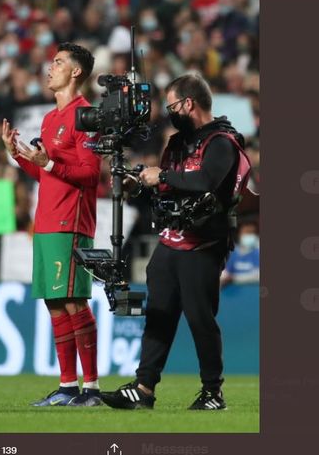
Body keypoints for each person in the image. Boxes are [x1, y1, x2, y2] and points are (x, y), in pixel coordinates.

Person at [101, 73, 252, 411]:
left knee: (200, 319)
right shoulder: (177, 143)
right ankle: (144, 389)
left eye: (171, 106)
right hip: (170, 242)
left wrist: (164, 175)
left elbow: (207, 179)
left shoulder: (221, 141)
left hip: (202, 245)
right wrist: (140, 184)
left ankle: (213, 393)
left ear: (188, 103)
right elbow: (168, 186)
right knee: (158, 315)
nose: (168, 113)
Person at [1, 42, 102, 407]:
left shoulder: (86, 116)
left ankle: (90, 388)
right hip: (44, 220)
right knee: (54, 303)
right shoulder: (48, 119)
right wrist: (17, 154)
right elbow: (44, 173)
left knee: (74, 301)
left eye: (58, 63)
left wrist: (46, 164)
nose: (50, 68)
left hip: (70, 221)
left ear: (76, 72)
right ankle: (67, 386)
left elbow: (90, 173)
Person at [221, 220, 260, 286]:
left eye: (252, 232)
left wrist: (234, 278)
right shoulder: (232, 252)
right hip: (233, 292)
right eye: (246, 232)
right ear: (239, 234)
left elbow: (258, 275)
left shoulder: (257, 252)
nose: (249, 235)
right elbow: (225, 272)